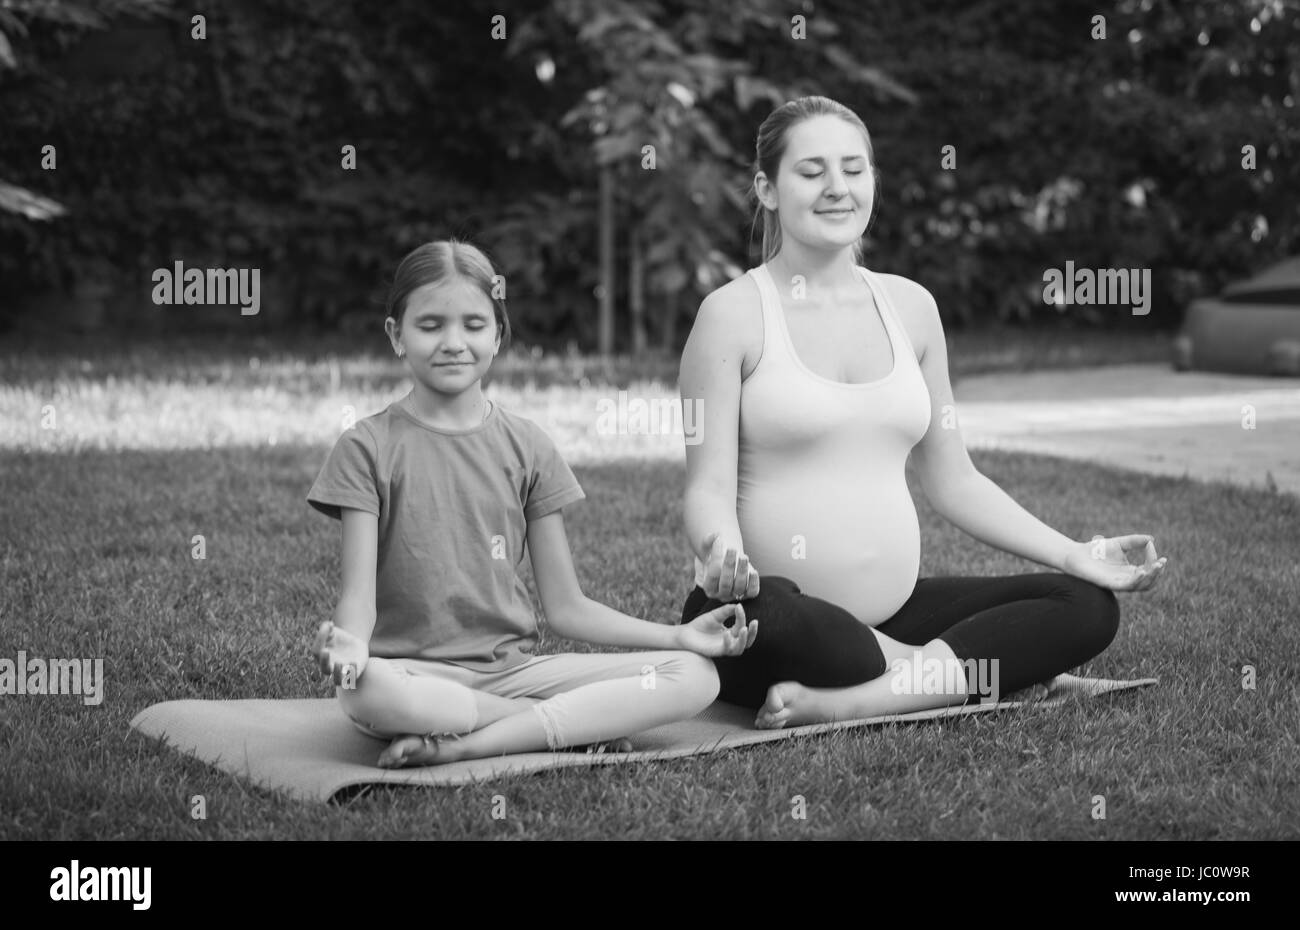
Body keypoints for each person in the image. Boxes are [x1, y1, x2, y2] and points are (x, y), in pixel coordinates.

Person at [678, 96, 1168, 729]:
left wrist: (1076, 553)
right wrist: (722, 549)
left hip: (892, 611)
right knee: (777, 614)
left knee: (1082, 605)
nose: (837, 188)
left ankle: (857, 701)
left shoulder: (911, 308)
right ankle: (965, 674)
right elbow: (706, 488)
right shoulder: (729, 315)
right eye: (812, 171)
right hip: (763, 620)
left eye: (854, 169)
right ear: (767, 190)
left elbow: (954, 478)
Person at [308, 239, 757, 768]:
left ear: (498, 336)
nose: (453, 342)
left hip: (514, 671)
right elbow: (358, 600)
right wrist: (352, 649)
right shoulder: (366, 446)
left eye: (474, 325)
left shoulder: (529, 445)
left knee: (694, 676)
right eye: (430, 325)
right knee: (368, 691)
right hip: (410, 677)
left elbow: (567, 608)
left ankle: (478, 741)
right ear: (396, 336)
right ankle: (559, 723)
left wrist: (677, 635)